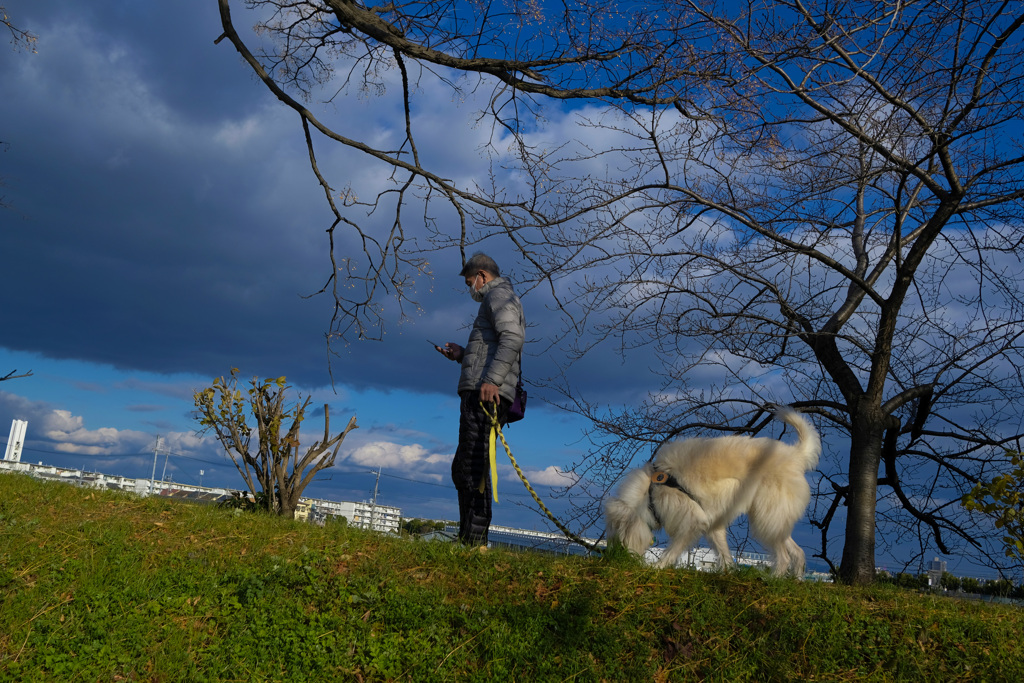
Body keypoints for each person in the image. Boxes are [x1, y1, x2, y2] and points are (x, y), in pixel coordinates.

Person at [434, 253, 525, 546]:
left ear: (481, 276)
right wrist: (462, 355)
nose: (469, 288)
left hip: (485, 394)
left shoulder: (499, 296)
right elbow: (495, 346)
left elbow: (512, 337)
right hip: (479, 390)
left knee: (472, 467)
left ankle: (474, 543)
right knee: (465, 466)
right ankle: (469, 539)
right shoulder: (496, 298)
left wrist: (491, 381)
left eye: (468, 282)